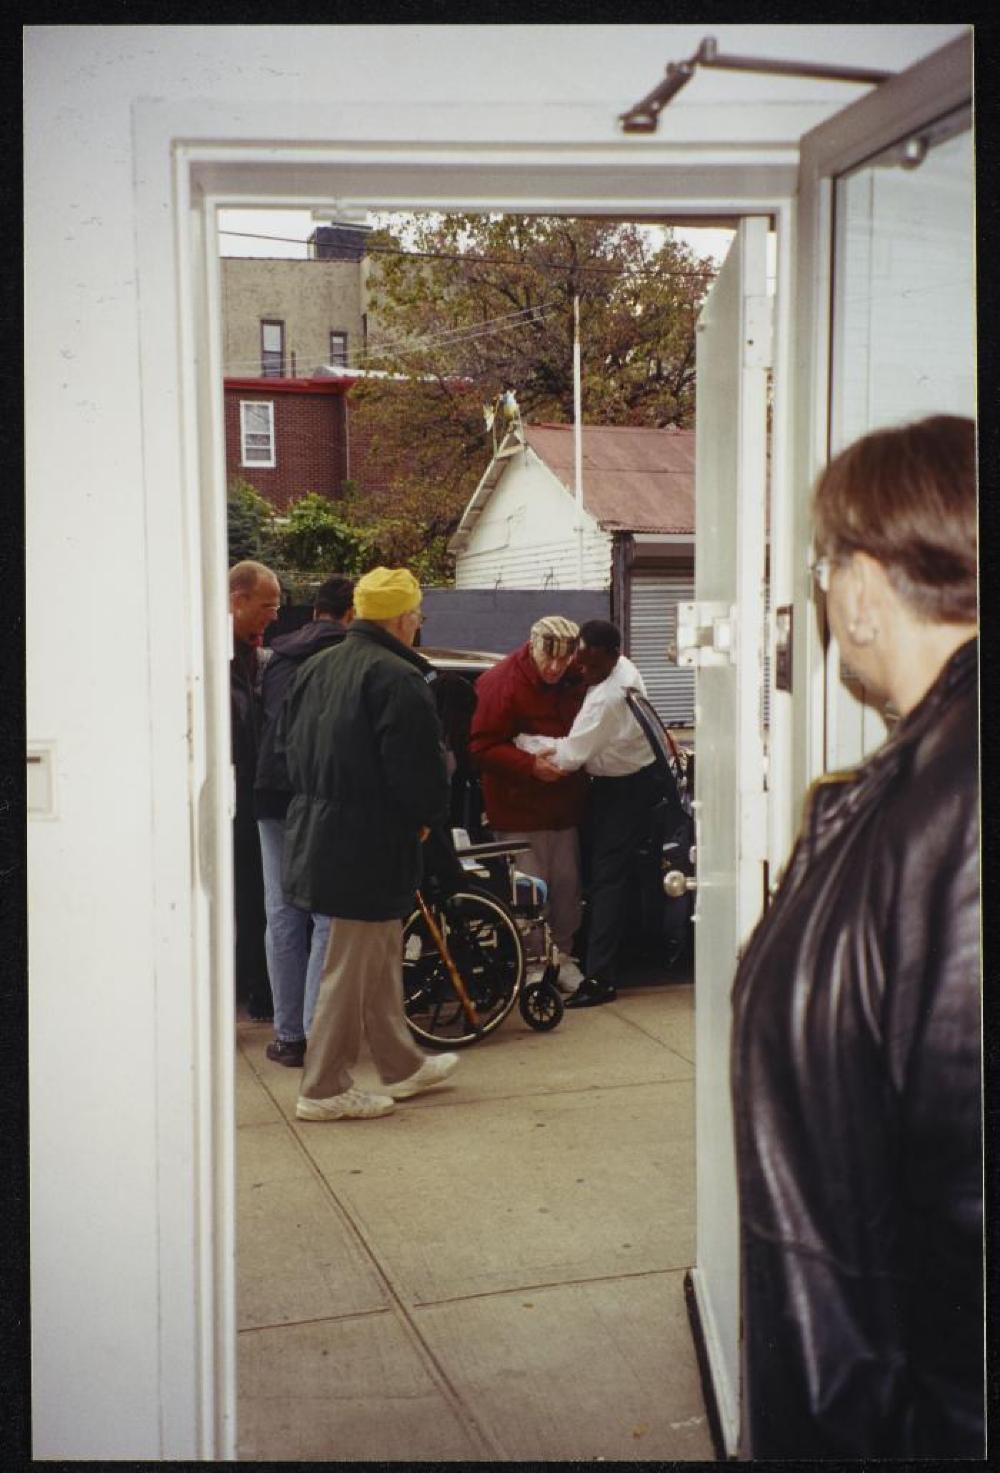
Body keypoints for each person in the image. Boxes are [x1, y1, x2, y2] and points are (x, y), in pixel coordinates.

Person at [730, 415, 981, 1458]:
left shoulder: (956, 808)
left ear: (869, 585)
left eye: (826, 566)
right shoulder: (915, 783)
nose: (827, 598)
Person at [282, 566, 459, 1121]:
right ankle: (324, 1088)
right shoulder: (397, 678)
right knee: (351, 967)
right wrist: (426, 818)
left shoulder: (315, 668)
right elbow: (417, 771)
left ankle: (401, 1065)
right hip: (368, 840)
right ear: (405, 619)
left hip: (322, 830)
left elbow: (289, 749)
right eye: (418, 617)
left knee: (378, 956)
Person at [515, 619, 666, 1008]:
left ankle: (600, 978)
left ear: (612, 656)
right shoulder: (621, 667)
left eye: (592, 665)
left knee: (606, 880)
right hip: (633, 780)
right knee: (608, 877)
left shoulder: (608, 698)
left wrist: (524, 743)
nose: (583, 670)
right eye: (582, 661)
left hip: (623, 791)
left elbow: (570, 756)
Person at [254, 574, 355, 1065]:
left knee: (281, 914)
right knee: (325, 915)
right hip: (314, 794)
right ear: (352, 614)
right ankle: (317, 1037)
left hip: (268, 793)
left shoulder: (278, 656)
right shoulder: (348, 655)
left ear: (314, 610)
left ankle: (288, 1035)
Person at [468, 616, 588, 994]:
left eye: (562, 661)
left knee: (567, 892)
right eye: (547, 658)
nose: (554, 668)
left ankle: (563, 957)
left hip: (563, 810)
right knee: (530, 896)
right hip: (517, 809)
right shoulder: (500, 683)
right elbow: (480, 747)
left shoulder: (577, 678)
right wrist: (530, 766)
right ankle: (532, 964)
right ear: (531, 645)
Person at [229, 559, 281, 1020]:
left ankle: (252, 984)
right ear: (236, 601)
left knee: (254, 898)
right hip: (229, 806)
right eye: (266, 606)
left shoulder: (251, 658)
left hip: (250, 801)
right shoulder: (212, 659)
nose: (274, 616)